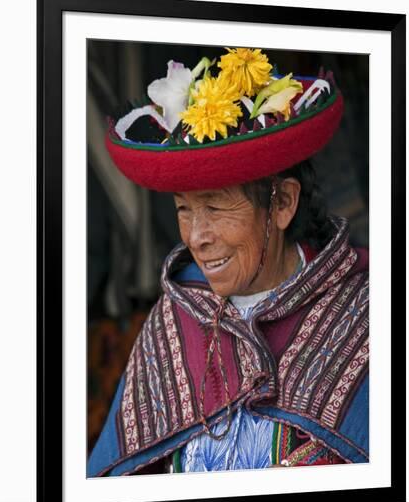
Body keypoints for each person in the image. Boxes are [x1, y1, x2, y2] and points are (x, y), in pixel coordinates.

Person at [87, 47, 369, 476]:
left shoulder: (366, 315)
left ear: (283, 203)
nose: (196, 237)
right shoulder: (174, 319)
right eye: (184, 210)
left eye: (216, 209)